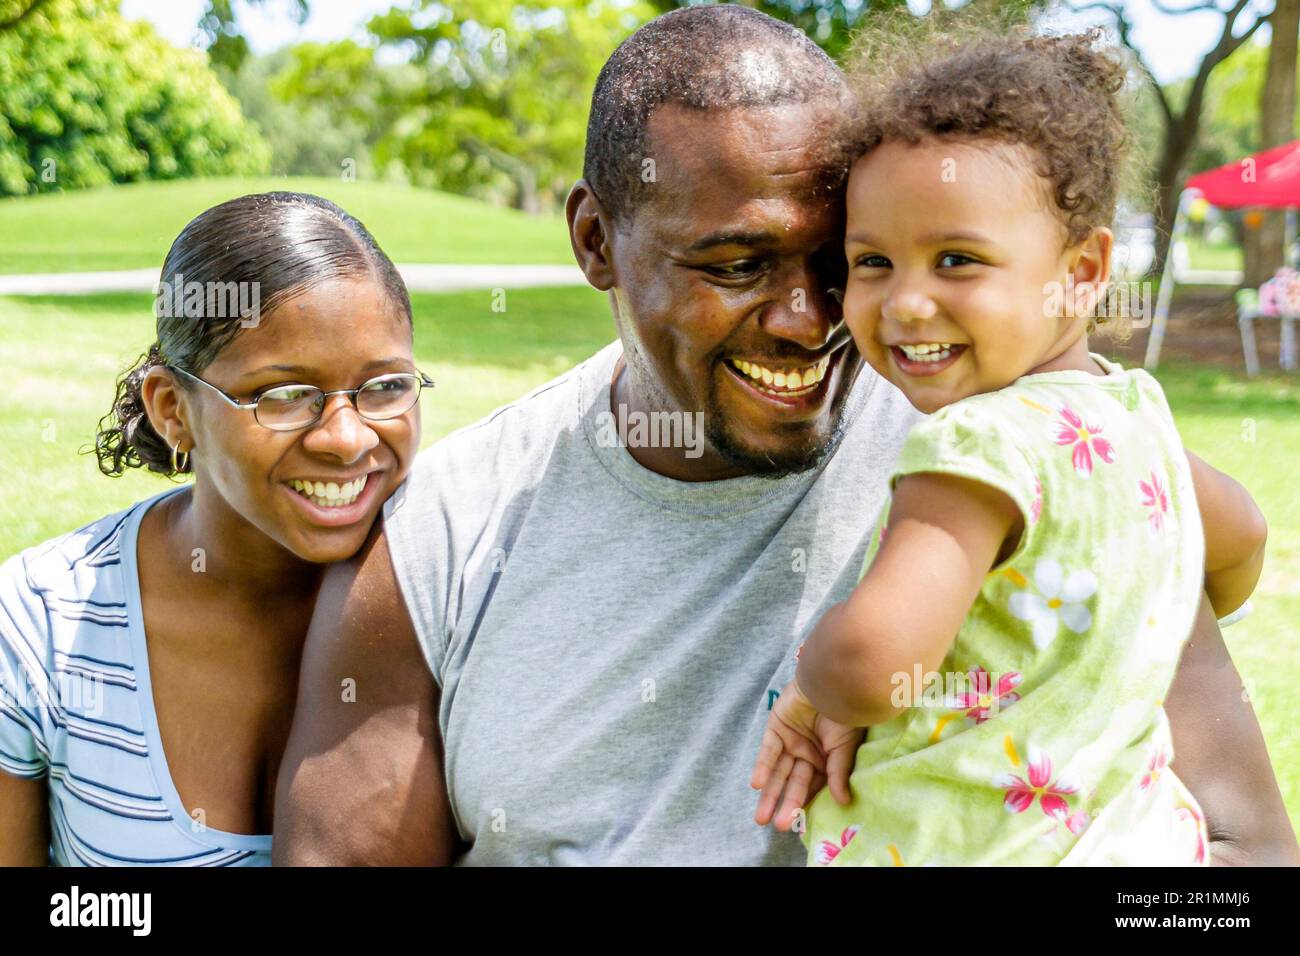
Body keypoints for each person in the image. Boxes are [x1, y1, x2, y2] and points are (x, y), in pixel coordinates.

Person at [273, 7, 1297, 866]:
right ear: (594, 239)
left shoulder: (1018, 449)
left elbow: (1245, 859)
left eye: (835, 262)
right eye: (735, 264)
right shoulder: (443, 534)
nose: (812, 320)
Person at [750, 27, 1281, 866]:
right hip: (1139, 845)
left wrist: (811, 683)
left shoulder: (975, 444)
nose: (908, 304)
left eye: (956, 260)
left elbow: (874, 664)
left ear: (1082, 269)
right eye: (873, 261)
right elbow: (1243, 533)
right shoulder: (1133, 411)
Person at [0, 192, 429, 865]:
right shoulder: (38, 626)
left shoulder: (456, 594)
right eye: (284, 395)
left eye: (384, 387)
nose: (347, 440)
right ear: (174, 410)